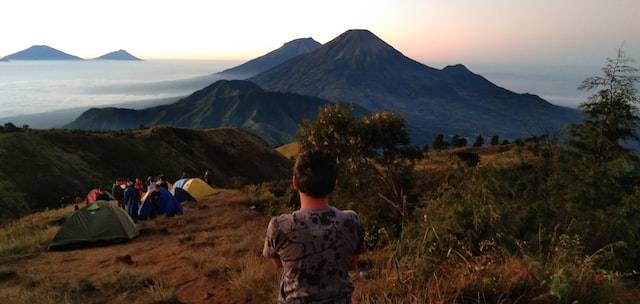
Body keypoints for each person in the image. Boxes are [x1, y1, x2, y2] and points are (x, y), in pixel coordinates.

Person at [263, 150, 364, 303]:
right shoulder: (351, 221)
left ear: (294, 182)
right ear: (335, 183)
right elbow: (352, 264)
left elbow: (278, 263)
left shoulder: (279, 226)